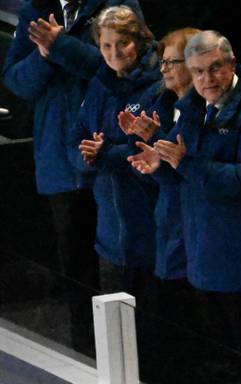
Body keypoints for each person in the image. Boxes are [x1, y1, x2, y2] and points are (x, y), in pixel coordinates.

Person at [129, 30, 241, 368]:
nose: (206, 79)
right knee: (221, 362)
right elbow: (182, 174)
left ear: (232, 63)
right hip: (203, 258)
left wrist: (185, 163)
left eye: (214, 68)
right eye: (198, 71)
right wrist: (160, 164)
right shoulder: (194, 109)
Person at [4, 0, 139, 288]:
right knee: (76, 275)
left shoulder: (118, 4)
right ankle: (82, 335)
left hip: (109, 156)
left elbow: (122, 66)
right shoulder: (35, 11)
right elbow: (17, 83)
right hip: (59, 161)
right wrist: (42, 55)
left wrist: (60, 46)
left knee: (120, 274)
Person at [73, 5, 159, 300]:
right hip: (109, 237)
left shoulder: (159, 87)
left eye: (123, 43)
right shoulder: (99, 85)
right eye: (106, 45)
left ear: (140, 40)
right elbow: (78, 137)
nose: (115, 52)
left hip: (149, 235)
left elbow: (150, 150)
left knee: (151, 330)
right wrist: (86, 154)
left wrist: (106, 154)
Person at [121, 26, 198, 326]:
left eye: (171, 62)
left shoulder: (203, 111)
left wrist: (157, 140)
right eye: (162, 62)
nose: (163, 69)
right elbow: (156, 174)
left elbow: (190, 171)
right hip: (167, 224)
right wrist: (141, 145)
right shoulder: (163, 105)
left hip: (191, 230)